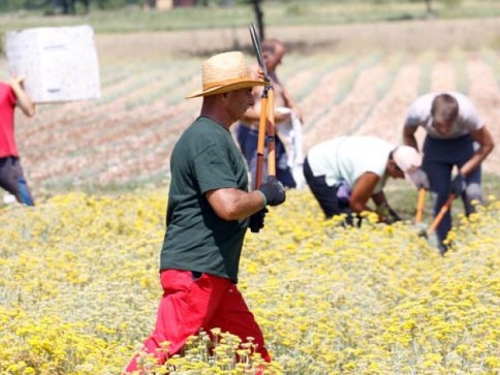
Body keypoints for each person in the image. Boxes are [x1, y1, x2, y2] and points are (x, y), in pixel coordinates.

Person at [124, 51, 286, 374]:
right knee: (164, 349)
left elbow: (230, 204)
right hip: (195, 272)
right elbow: (227, 205)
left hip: (213, 274)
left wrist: (249, 207)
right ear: (225, 95)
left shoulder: (212, 135)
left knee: (250, 353)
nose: (252, 102)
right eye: (245, 93)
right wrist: (264, 195)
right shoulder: (208, 139)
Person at [403, 92, 494, 255]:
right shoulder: (417, 111)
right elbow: (408, 135)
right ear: (431, 116)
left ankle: (479, 247)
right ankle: (445, 249)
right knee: (439, 199)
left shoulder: (468, 114)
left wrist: (463, 175)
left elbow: (487, 145)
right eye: (439, 125)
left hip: (465, 145)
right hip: (435, 148)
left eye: (448, 125)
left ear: (456, 118)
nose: (443, 130)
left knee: (473, 195)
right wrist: (417, 167)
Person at [303, 135, 422, 225]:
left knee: (356, 220)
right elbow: (356, 204)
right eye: (401, 174)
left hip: (333, 162)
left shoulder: (393, 154)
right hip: (319, 166)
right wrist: (383, 221)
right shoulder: (373, 170)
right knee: (346, 221)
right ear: (392, 164)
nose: (400, 178)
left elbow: (376, 192)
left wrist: (392, 218)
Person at [237, 38, 305, 190]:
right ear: (266, 56)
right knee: (261, 182)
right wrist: (270, 117)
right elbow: (241, 112)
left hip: (274, 136)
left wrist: (294, 108)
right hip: (255, 136)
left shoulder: (271, 73)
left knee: (287, 183)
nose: (280, 63)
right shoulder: (251, 75)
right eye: (279, 59)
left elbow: (283, 93)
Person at [0, 76, 36, 206]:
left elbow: (30, 110)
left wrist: (16, 87)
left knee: (25, 201)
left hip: (4, 159)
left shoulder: (5, 90)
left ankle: (35, 222)